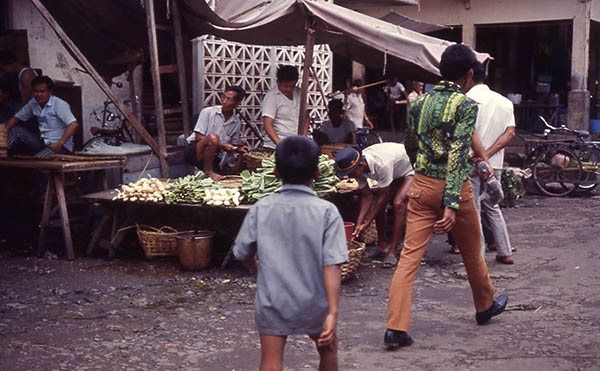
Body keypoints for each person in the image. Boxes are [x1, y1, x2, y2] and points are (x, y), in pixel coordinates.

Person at [384, 44, 508, 349]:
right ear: (469, 75)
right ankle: (484, 306)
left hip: (422, 184)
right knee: (472, 251)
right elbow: (456, 156)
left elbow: (409, 145)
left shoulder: (418, 103)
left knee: (409, 257)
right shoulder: (465, 106)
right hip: (456, 188)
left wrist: (421, 172)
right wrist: (451, 203)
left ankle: (395, 327)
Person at [233, 136, 348, 371]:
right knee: (328, 350)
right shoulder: (327, 211)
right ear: (317, 172)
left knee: (271, 362)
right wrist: (333, 312)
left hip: (273, 301)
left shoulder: (261, 208)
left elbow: (242, 251)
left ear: (275, 172)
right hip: (316, 302)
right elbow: (332, 265)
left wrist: (255, 269)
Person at [466, 62, 516, 264]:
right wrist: (487, 155)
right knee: (492, 205)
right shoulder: (504, 102)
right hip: (494, 162)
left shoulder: (465, 101)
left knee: (474, 207)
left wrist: (480, 155)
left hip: (471, 160)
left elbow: (468, 132)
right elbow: (510, 133)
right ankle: (505, 251)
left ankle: (478, 255)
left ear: (468, 77)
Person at [334, 143, 413, 268]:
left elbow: (383, 198)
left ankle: (392, 252)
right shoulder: (358, 168)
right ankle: (381, 246)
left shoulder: (382, 164)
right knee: (379, 208)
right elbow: (367, 196)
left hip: (410, 167)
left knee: (398, 203)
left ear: (361, 165)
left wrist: (367, 223)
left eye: (350, 173)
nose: (349, 177)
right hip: (395, 169)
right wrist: (359, 223)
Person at [183, 85, 249, 180]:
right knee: (213, 138)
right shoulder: (208, 112)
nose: (224, 101)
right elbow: (198, 137)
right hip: (195, 151)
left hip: (213, 156)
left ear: (237, 103)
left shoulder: (236, 122)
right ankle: (208, 171)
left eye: (229, 99)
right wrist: (221, 145)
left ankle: (210, 170)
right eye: (223, 97)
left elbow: (232, 145)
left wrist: (239, 149)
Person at [2, 75, 78, 158]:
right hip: (43, 143)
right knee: (15, 130)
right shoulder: (33, 103)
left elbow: (73, 125)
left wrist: (59, 144)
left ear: (50, 92)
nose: (38, 94)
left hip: (60, 146)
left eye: (42, 91)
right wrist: (1, 133)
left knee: (37, 161)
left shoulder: (59, 104)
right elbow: (15, 119)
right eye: (36, 91)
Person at [261, 65, 309, 150]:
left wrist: (303, 139)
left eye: (292, 86)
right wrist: (281, 146)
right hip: (275, 146)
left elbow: (306, 117)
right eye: (286, 86)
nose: (289, 89)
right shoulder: (271, 97)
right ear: (278, 82)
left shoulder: (300, 93)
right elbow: (268, 125)